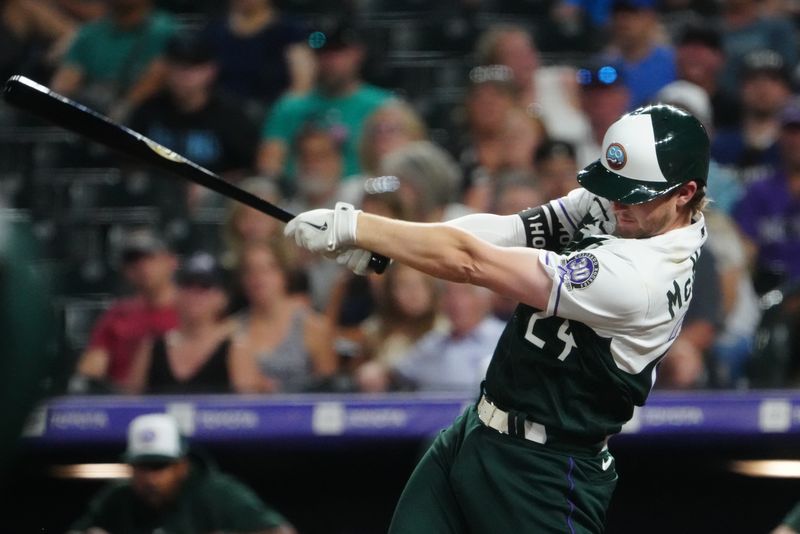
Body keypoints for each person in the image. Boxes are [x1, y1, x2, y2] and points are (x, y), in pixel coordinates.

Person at [285, 103, 709, 532]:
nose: (618, 203)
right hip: (475, 431)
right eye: (614, 187)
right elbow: (509, 233)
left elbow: (474, 264)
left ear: (686, 193)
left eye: (633, 194)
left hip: (546, 471)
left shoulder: (644, 279)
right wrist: (395, 244)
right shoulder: (627, 207)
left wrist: (360, 227)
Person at [68, 413, 296, 534]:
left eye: (159, 466)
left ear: (182, 466)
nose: (150, 478)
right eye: (142, 467)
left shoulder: (217, 492)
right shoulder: (118, 497)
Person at [257, 19, 393, 183]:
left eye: (337, 51)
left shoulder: (384, 107)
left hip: (363, 195)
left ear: (357, 53)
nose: (329, 60)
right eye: (323, 53)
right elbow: (269, 165)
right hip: (299, 199)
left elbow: (396, 164)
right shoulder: (290, 107)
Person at [71, 228, 179, 392]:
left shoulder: (193, 311)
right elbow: (91, 369)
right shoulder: (118, 315)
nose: (142, 266)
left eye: (150, 257)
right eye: (133, 260)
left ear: (171, 261)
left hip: (177, 397)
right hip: (123, 405)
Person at [357, 281, 504, 394]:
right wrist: (376, 372)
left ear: (484, 299)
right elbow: (396, 371)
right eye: (448, 293)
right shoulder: (432, 343)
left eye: (465, 293)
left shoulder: (503, 337)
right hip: (435, 428)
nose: (455, 302)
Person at [229, 240, 337, 393]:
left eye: (267, 269)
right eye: (250, 270)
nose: (258, 278)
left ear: (284, 274)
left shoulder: (313, 326)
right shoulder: (233, 329)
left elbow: (329, 389)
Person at [125, 251, 236, 394]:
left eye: (204, 287)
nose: (194, 295)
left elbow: (252, 410)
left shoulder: (235, 348)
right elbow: (129, 404)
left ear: (222, 298)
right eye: (188, 285)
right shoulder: (152, 347)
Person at [50, 0, 177, 118]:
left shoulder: (164, 30)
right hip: (94, 111)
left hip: (145, 116)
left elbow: (161, 73)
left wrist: (125, 106)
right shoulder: (91, 32)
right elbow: (66, 81)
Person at [200, 0, 313, 118]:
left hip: (273, 114)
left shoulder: (289, 31)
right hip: (222, 115)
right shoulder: (213, 31)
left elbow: (302, 85)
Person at [733, 96, 800, 295]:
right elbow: (746, 247)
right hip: (770, 293)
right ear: (779, 135)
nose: (796, 140)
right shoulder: (760, 190)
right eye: (791, 131)